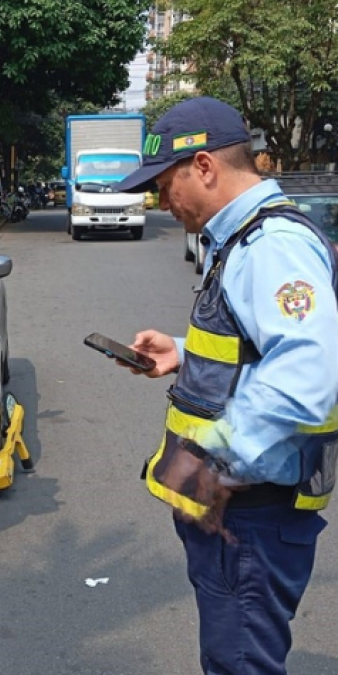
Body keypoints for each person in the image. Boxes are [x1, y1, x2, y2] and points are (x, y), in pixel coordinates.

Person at [112, 96, 338, 675]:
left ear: (206, 167)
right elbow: (257, 353)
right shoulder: (242, 241)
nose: (161, 200)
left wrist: (214, 465)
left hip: (250, 513)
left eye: (165, 183)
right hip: (244, 512)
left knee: (240, 663)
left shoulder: (271, 246)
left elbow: (308, 376)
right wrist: (183, 356)